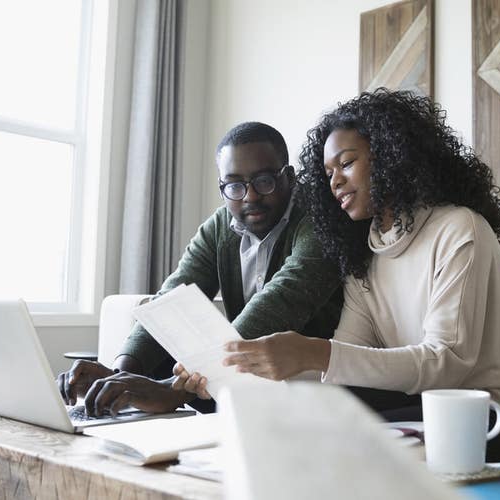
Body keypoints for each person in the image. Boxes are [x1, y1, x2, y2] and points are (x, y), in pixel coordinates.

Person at [176, 89, 500, 466]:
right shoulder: (365, 251)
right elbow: (349, 362)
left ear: (391, 156)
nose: (333, 180)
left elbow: (446, 362)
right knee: (317, 419)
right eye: (327, 171)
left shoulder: (459, 229)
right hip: (443, 403)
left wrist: (309, 353)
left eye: (347, 163)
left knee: (350, 443)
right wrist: (254, 371)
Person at [57, 121, 343, 416]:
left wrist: (173, 389)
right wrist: (118, 374)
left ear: (289, 177)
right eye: (234, 185)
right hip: (238, 384)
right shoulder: (219, 227)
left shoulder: (321, 217)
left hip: (315, 391)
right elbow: (171, 298)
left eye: (264, 181)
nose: (250, 196)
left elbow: (282, 300)